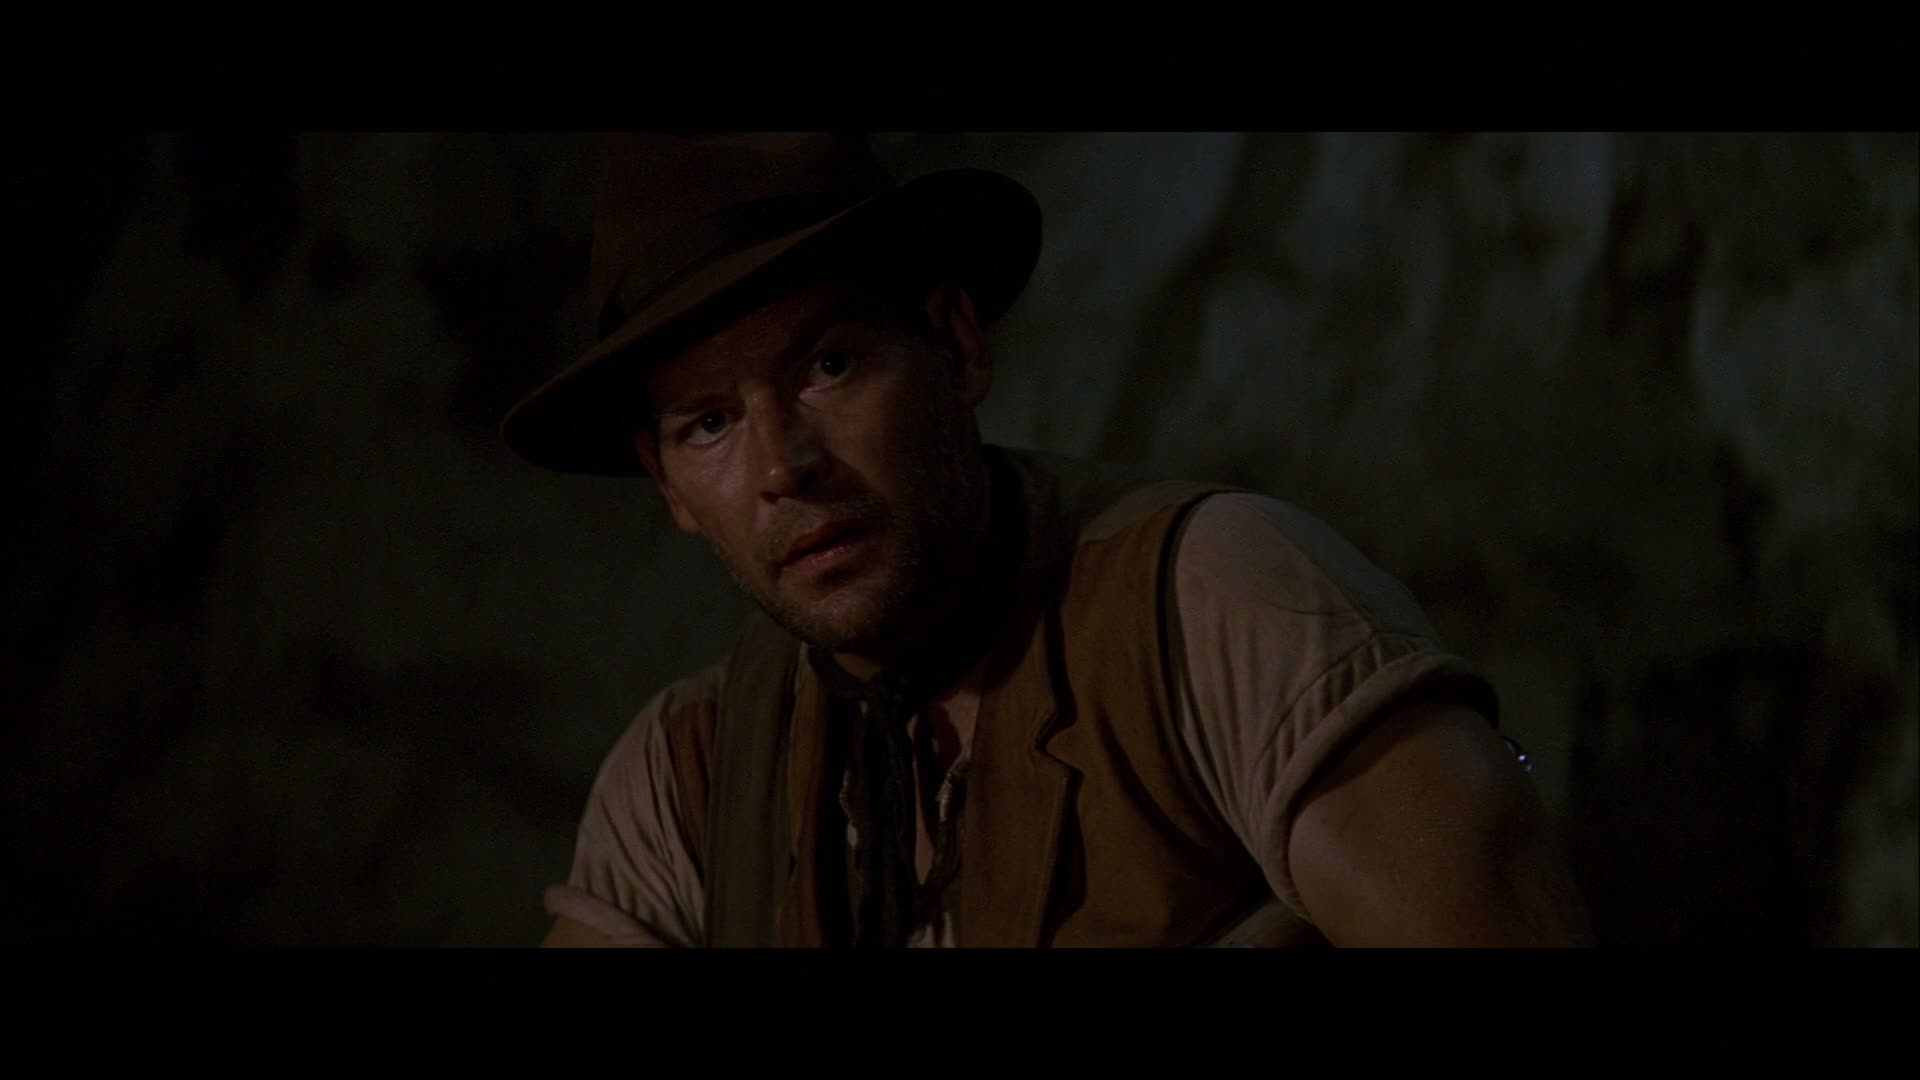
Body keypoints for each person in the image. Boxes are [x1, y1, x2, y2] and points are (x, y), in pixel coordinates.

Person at [501, 132, 1595, 948]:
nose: (783, 465)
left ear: (956, 346)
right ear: (669, 483)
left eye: (829, 366)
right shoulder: (692, 773)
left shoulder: (1215, 604)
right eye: (710, 424)